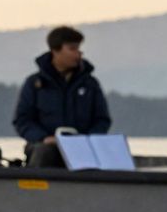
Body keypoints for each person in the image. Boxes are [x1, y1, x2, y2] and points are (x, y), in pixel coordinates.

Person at [13, 26, 112, 168]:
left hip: (83, 148)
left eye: (79, 49)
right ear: (55, 50)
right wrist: (43, 138)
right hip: (44, 147)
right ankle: (35, 188)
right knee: (44, 152)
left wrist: (88, 140)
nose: (78, 54)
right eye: (72, 49)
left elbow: (102, 120)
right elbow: (23, 120)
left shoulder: (90, 85)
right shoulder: (35, 84)